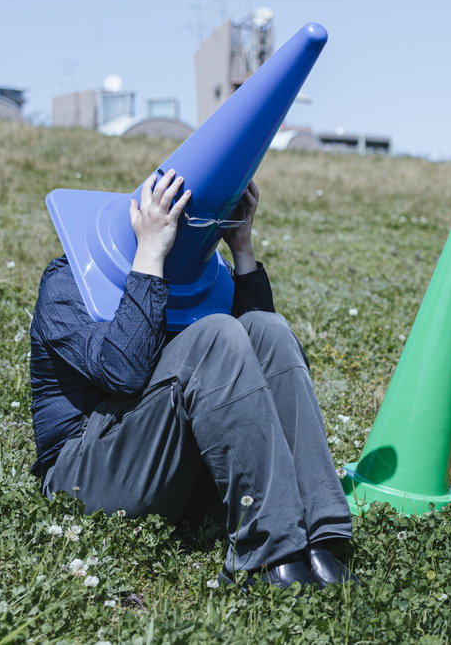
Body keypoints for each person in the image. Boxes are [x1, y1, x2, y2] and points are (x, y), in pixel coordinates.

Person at [28, 169, 353, 587]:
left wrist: (241, 247)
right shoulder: (65, 283)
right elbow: (123, 372)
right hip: (85, 476)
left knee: (267, 329)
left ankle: (317, 537)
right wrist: (149, 254)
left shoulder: (198, 280)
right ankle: (266, 555)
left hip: (173, 476)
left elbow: (254, 354)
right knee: (215, 334)